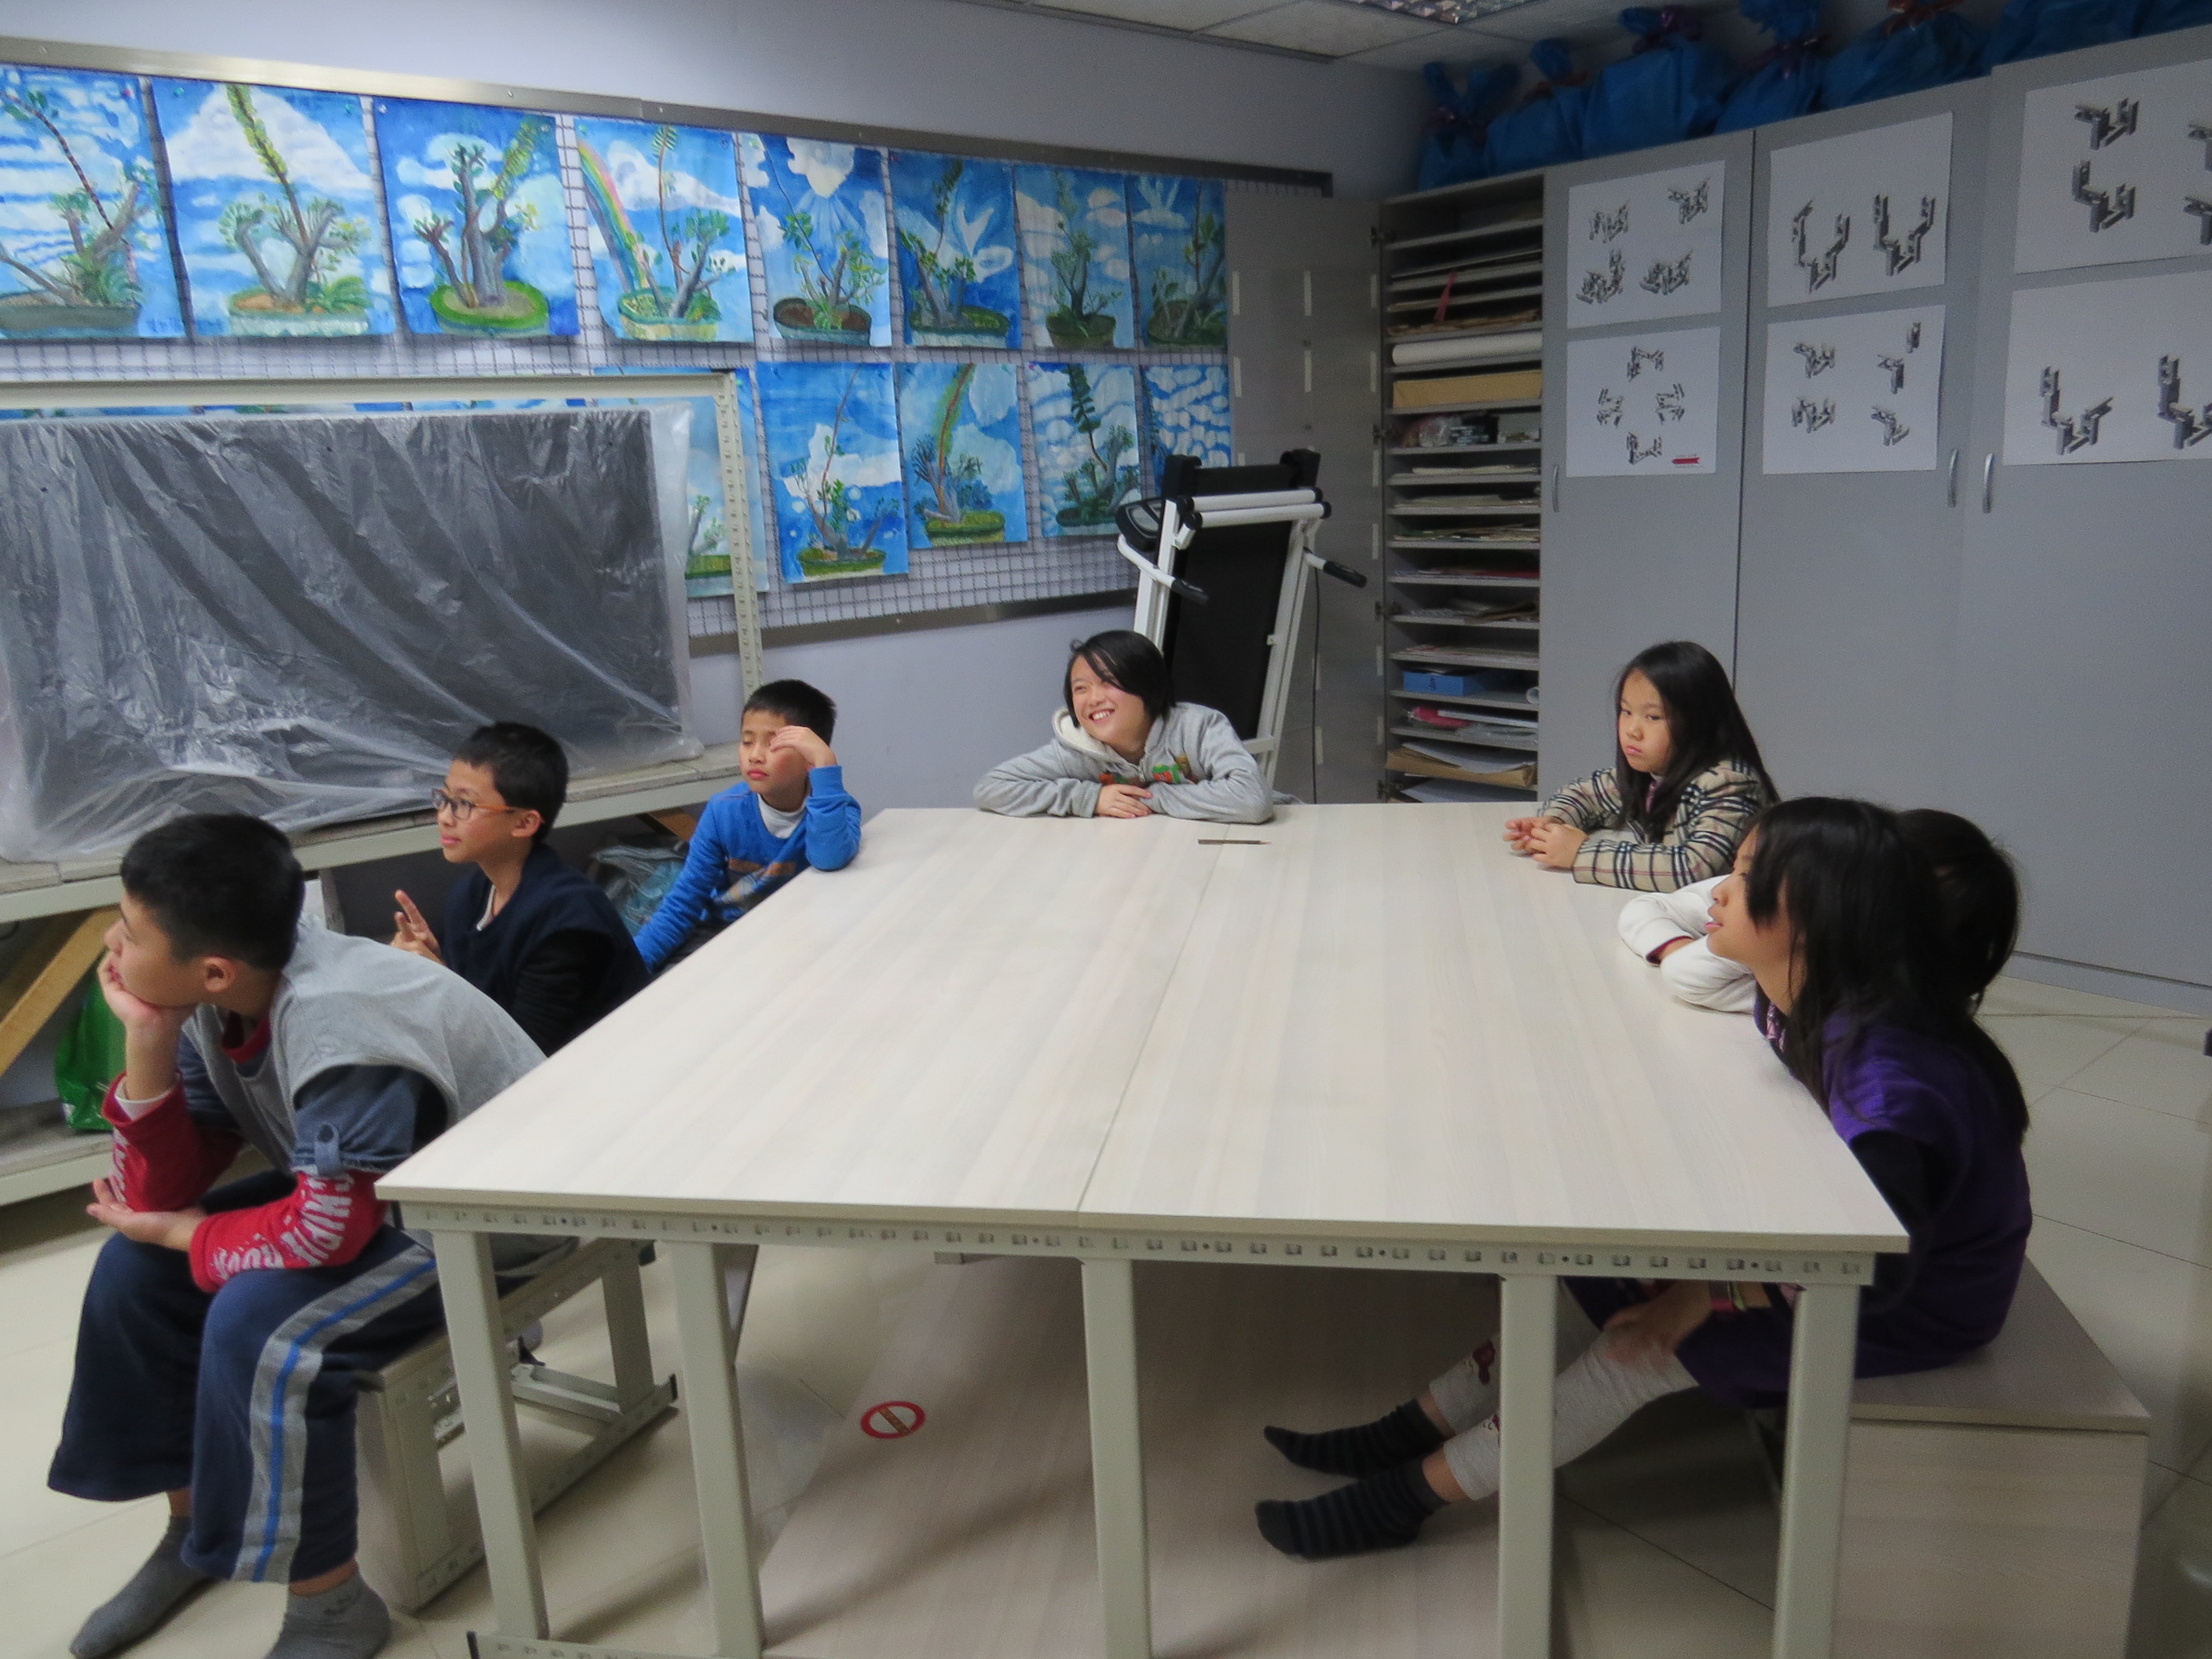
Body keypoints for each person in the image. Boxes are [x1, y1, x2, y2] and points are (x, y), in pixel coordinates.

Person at [1254, 797, 2031, 1560]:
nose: (1717, 893)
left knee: (1636, 1354)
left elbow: (1875, 1271)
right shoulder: (1805, 996)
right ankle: (1408, 1430)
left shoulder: (1890, 1085)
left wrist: (1701, 1294)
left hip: (1915, 1301)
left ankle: (1402, 1501)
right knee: (1593, 1278)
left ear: (1815, 921)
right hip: (1833, 1246)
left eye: (1746, 877)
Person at [48, 814, 546, 1658]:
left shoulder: (337, 1019)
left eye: (129, 932)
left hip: (483, 1223)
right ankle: (192, 1525)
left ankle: (330, 1608)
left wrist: (188, 1235)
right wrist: (148, 1037)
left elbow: (323, 1235)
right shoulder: (220, 992)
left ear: (213, 969)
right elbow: (162, 1193)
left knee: (260, 1324)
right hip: (375, 1191)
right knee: (133, 1270)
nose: (112, 945)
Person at [388, 722, 647, 1053]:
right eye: (445, 797)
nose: (444, 817)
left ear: (524, 823)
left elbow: (525, 1054)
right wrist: (433, 957)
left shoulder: (567, 919)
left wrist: (441, 980)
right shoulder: (469, 896)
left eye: (464, 804)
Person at [1620, 808, 2018, 1016]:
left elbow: (1687, 976)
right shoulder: (1775, 897)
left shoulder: (1854, 1020)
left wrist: (1746, 946)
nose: (1721, 890)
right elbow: (1657, 921)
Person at [1504, 639, 1773, 891]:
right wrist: (1551, 825)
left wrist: (1580, 853)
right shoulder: (1653, 771)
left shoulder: (1729, 783)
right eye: (1626, 711)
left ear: (1700, 723)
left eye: (1653, 717)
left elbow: (1693, 869)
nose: (1632, 730)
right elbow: (1585, 794)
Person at [632, 679, 861, 973]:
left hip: (802, 936)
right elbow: (683, 904)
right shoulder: (723, 811)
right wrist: (630, 969)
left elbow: (829, 859)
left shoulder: (835, 808)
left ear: (809, 758)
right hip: (726, 930)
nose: (755, 755)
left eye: (774, 744)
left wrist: (826, 765)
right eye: (747, 741)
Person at [974, 629, 1271, 823]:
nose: (1094, 699)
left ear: (1148, 685)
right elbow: (991, 788)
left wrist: (1154, 797)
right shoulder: (1076, 748)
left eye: (1108, 682)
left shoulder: (1199, 727)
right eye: (1081, 689)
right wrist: (1090, 798)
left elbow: (1252, 800)